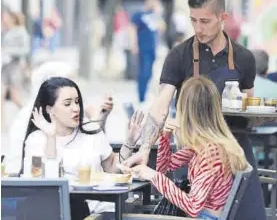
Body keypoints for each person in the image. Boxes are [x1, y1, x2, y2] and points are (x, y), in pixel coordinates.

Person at [124, 0, 266, 220]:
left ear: (223, 18)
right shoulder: (179, 55)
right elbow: (160, 106)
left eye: (205, 21)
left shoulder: (244, 58)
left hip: (234, 146)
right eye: (193, 21)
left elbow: (250, 106)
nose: (198, 29)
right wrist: (145, 147)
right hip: (195, 147)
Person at [120, 77, 250, 220]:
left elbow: (193, 207)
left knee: (122, 216)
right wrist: (165, 137)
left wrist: (152, 175)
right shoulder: (206, 144)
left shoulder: (211, 154)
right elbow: (165, 168)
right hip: (202, 216)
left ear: (185, 111)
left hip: (204, 217)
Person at [21, 77, 144, 220]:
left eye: (77, 102)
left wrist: (130, 141)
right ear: (49, 109)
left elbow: (111, 166)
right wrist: (51, 138)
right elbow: (44, 183)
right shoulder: (36, 139)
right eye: (67, 104)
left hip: (99, 211)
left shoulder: (91, 131)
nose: (76, 108)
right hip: (56, 211)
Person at [5, 61, 112, 174]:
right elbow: (41, 177)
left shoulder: (72, 113)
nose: (71, 84)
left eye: (77, 102)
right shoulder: (33, 132)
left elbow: (95, 141)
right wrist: (51, 139)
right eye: (67, 80)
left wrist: (100, 117)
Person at [129, 0, 165, 103]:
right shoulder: (139, 14)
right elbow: (132, 29)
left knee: (149, 73)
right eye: (152, 0)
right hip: (142, 47)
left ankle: (144, 95)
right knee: (143, 72)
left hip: (153, 48)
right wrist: (133, 44)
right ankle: (141, 97)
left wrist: (158, 14)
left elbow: (162, 28)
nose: (153, 2)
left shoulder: (156, 15)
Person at [1, 11, 30, 110]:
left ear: (12, 19)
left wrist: (9, 51)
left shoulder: (21, 31)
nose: (3, 18)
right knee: (1, 96)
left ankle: (29, 113)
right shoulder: (4, 31)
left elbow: (25, 50)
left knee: (15, 97)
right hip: (5, 67)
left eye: (5, 16)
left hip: (15, 67)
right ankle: (2, 125)